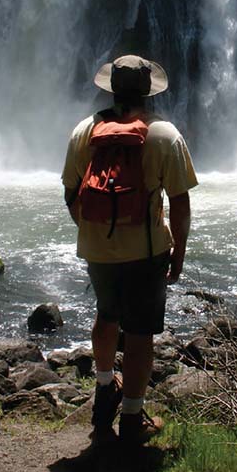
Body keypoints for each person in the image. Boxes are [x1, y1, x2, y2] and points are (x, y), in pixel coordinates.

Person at [62, 54, 198, 445]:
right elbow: (180, 202)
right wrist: (179, 252)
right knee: (139, 334)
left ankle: (105, 388)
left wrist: (93, 229)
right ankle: (133, 418)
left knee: (106, 316)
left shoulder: (84, 131)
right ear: (148, 92)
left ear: (111, 88)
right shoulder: (164, 135)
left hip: (97, 248)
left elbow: (70, 191)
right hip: (146, 250)